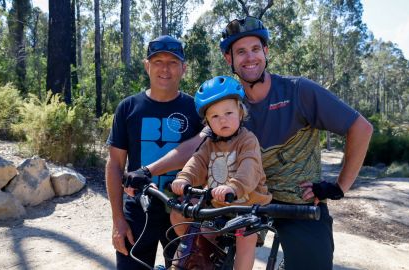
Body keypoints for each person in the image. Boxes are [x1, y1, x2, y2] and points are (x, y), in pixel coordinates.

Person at [141, 16, 373, 269]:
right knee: (190, 236)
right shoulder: (228, 103)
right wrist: (147, 171)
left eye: (255, 49)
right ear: (229, 59)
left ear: (266, 51)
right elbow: (196, 146)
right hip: (242, 201)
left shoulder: (299, 91)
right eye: (240, 52)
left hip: (297, 202)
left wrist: (339, 187)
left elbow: (360, 128)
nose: (249, 58)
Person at [105, 35, 204, 270]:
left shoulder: (197, 110)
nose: (165, 69)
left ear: (184, 68)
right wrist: (118, 220)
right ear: (146, 65)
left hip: (182, 211)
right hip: (138, 212)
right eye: (158, 61)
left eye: (172, 62)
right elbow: (115, 165)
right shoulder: (128, 107)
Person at [170, 76, 272, 270]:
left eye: (228, 112)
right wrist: (184, 178)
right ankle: (198, 261)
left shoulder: (247, 141)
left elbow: (249, 168)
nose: (222, 119)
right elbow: (197, 162)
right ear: (207, 121)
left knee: (244, 239)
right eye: (215, 116)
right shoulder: (209, 144)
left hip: (249, 208)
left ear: (240, 113)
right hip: (219, 208)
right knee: (191, 226)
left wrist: (234, 187)